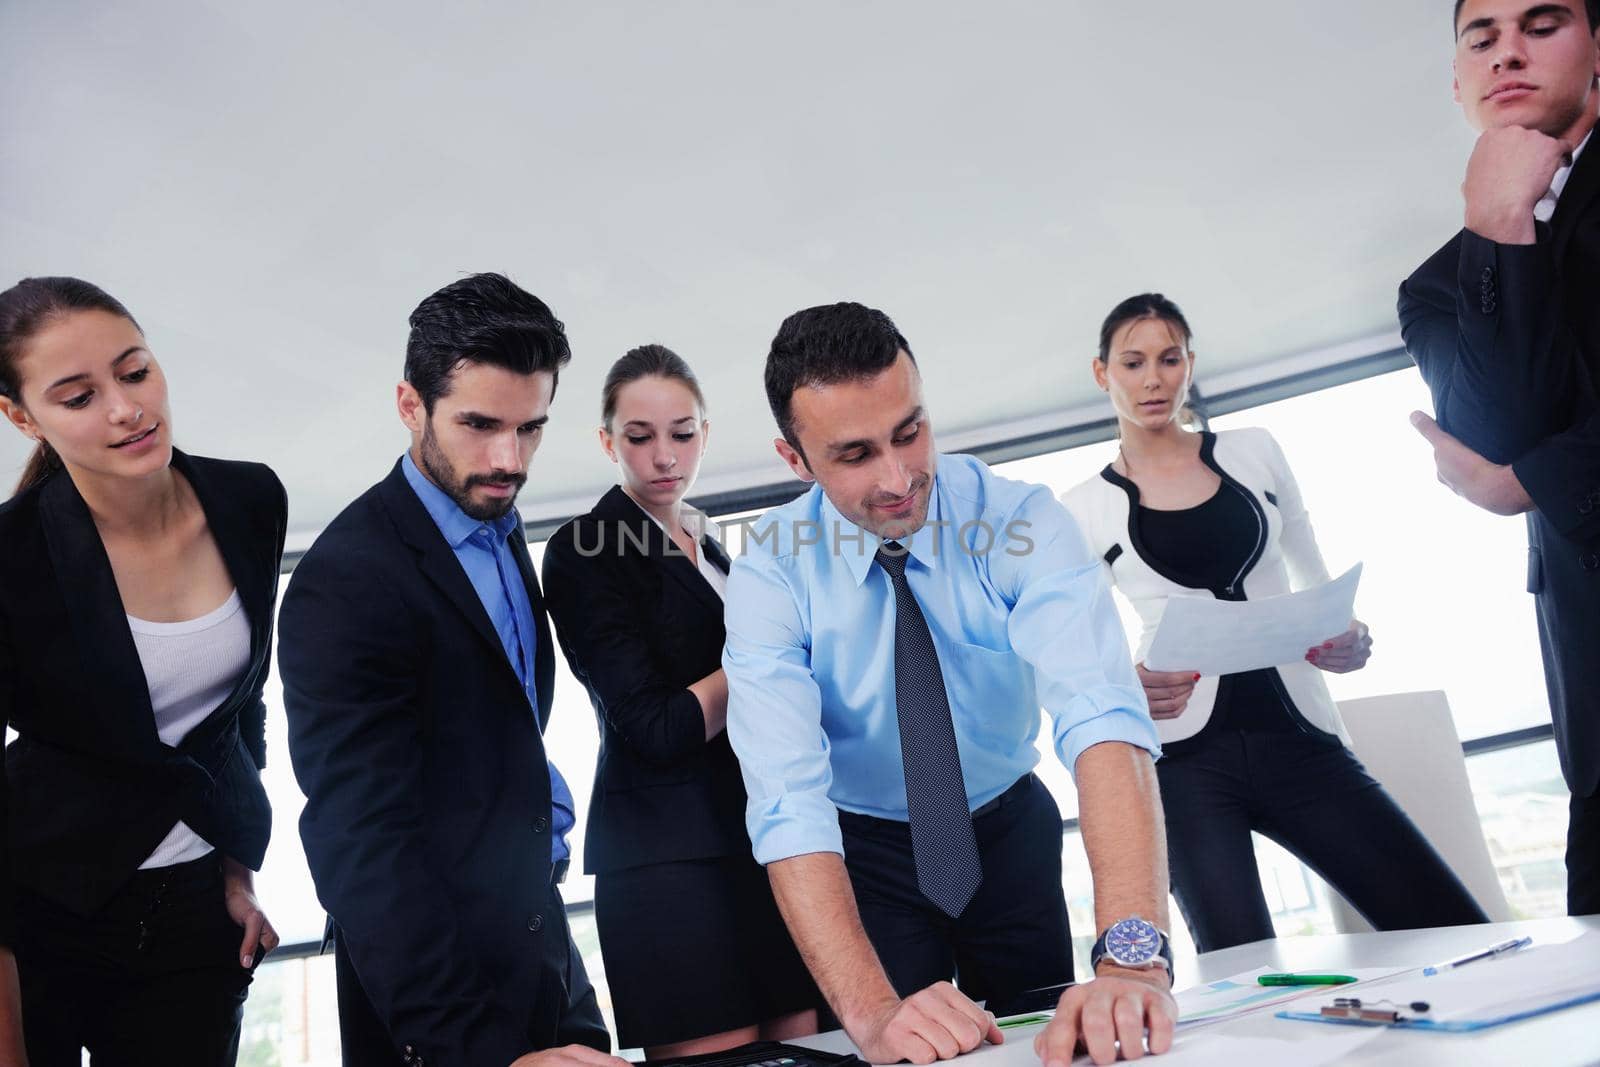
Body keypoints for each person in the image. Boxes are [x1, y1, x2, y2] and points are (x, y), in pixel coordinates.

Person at [723, 301, 1177, 1067]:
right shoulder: (770, 570)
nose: (899, 478)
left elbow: (1100, 713)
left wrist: (1133, 961)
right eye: (855, 453)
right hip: (868, 856)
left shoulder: (1019, 519)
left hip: (1007, 834)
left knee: (1062, 1046)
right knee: (912, 1052)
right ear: (795, 459)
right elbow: (786, 800)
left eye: (910, 431)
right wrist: (873, 1018)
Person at [1061, 293, 1490, 953]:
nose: (1153, 379)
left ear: (1189, 364)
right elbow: (1083, 654)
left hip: (1301, 739)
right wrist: (1126, 681)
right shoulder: (1082, 506)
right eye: (1134, 361)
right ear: (1102, 373)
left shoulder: (1254, 450)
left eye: (1169, 359)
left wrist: (1348, 635)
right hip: (1182, 764)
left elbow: (1314, 575)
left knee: (1452, 928)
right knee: (1241, 967)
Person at [278, 274, 627, 1067]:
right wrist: (482, 1053)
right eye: (478, 424)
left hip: (541, 948)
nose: (509, 459)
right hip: (439, 1006)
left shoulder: (495, 517)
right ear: (411, 405)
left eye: (531, 428)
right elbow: (365, 849)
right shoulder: (346, 579)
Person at [0, 276, 283, 1065]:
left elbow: (240, 707)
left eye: (134, 372)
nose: (126, 408)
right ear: (22, 417)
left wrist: (238, 868)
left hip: (198, 917)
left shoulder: (249, 497)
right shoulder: (11, 557)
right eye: (77, 396)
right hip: (43, 916)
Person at [542, 345, 820, 1058]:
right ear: (608, 441)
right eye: (639, 436)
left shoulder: (709, 541)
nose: (664, 455)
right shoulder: (585, 549)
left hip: (761, 841)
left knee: (812, 1051)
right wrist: (769, 653)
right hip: (666, 864)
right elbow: (656, 727)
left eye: (683, 433)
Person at [1397, 0, 1600, 915]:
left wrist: (1530, 480)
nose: (1506, 49)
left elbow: (1509, 468)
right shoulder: (1441, 282)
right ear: (1457, 81)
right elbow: (1496, 427)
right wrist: (1498, 220)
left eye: (1542, 23)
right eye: (1481, 37)